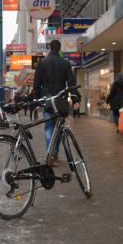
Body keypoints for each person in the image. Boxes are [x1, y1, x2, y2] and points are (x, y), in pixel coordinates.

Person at [34, 39, 76, 167]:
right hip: (61, 99)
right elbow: (71, 83)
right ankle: (54, 153)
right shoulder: (66, 63)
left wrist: (37, 99)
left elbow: (37, 83)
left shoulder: (42, 63)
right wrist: (75, 99)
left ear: (50, 48)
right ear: (59, 48)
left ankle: (51, 153)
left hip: (47, 99)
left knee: (49, 127)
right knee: (59, 126)